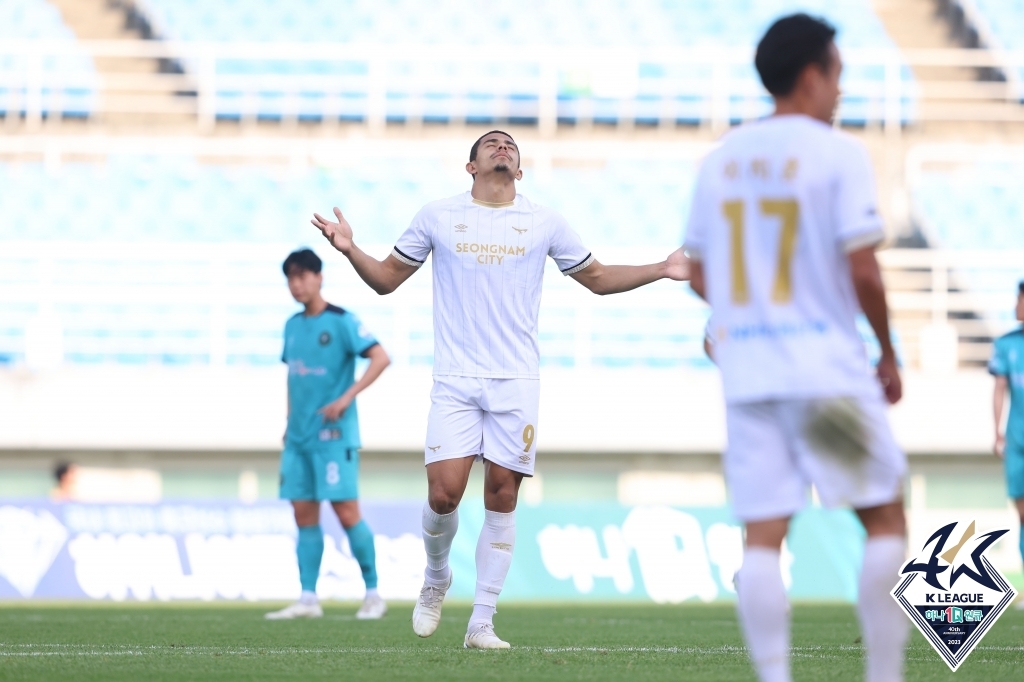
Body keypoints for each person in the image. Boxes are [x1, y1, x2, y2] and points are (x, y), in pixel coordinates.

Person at [311, 130, 689, 649]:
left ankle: (481, 622)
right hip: (456, 379)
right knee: (444, 494)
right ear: (470, 167)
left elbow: (597, 277)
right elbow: (386, 280)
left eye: (510, 145)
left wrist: (663, 270)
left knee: (502, 493)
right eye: (491, 144)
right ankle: (437, 575)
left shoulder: (544, 220)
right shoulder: (438, 215)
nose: (503, 147)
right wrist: (352, 249)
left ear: (520, 168)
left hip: (516, 380)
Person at [683, 14, 909, 682]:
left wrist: (746, 315)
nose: (839, 90)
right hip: (825, 374)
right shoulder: (835, 152)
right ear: (812, 75)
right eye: (837, 73)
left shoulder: (721, 159)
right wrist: (889, 353)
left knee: (762, 536)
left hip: (750, 372)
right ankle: (884, 675)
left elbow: (697, 272)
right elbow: (864, 271)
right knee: (886, 519)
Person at [265, 248, 391, 621]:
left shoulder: (342, 321)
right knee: (303, 513)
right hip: (299, 438)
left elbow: (381, 356)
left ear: (319, 277)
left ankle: (373, 594)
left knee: (346, 511)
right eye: (291, 278)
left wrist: (346, 397)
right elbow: (293, 378)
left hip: (334, 437)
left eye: (303, 276)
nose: (297, 284)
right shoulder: (292, 325)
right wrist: (289, 422)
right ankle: (308, 598)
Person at [990, 281, 1024, 592]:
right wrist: (997, 432)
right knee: (1023, 514)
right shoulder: (1006, 344)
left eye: (1019, 299)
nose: (1016, 305)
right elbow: (999, 388)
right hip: (1017, 441)